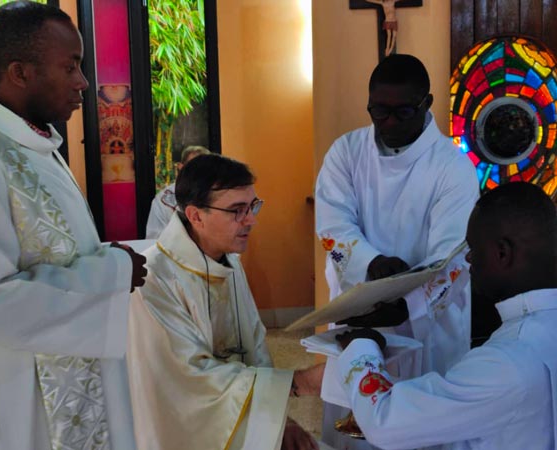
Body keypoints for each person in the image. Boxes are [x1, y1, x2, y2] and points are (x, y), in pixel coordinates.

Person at [0, 2, 147, 449]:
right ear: (20, 73)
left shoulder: (32, 145)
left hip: (64, 380)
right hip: (16, 396)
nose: (83, 82)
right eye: (71, 66)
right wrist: (112, 272)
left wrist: (108, 261)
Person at [315, 54, 479, 448]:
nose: (388, 123)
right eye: (378, 111)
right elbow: (333, 225)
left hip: (427, 325)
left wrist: (407, 305)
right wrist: (372, 263)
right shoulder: (346, 152)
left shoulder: (452, 167)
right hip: (359, 308)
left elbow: (453, 254)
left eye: (402, 112)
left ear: (426, 104)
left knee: (420, 428)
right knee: (352, 430)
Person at [335, 181, 557, 450]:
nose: (469, 259)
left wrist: (360, 348)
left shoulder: (508, 362)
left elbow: (384, 421)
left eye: (473, 248)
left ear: (502, 253)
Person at [127, 154, 323, 450]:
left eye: (253, 206)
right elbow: (189, 380)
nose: (251, 220)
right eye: (236, 211)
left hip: (237, 417)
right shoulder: (152, 279)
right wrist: (300, 382)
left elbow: (255, 348)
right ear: (196, 216)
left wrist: (280, 423)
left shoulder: (228, 262)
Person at [146, 145, 210, 239]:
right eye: (193, 167)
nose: (199, 172)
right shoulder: (164, 200)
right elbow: (155, 237)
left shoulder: (218, 195)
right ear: (181, 167)